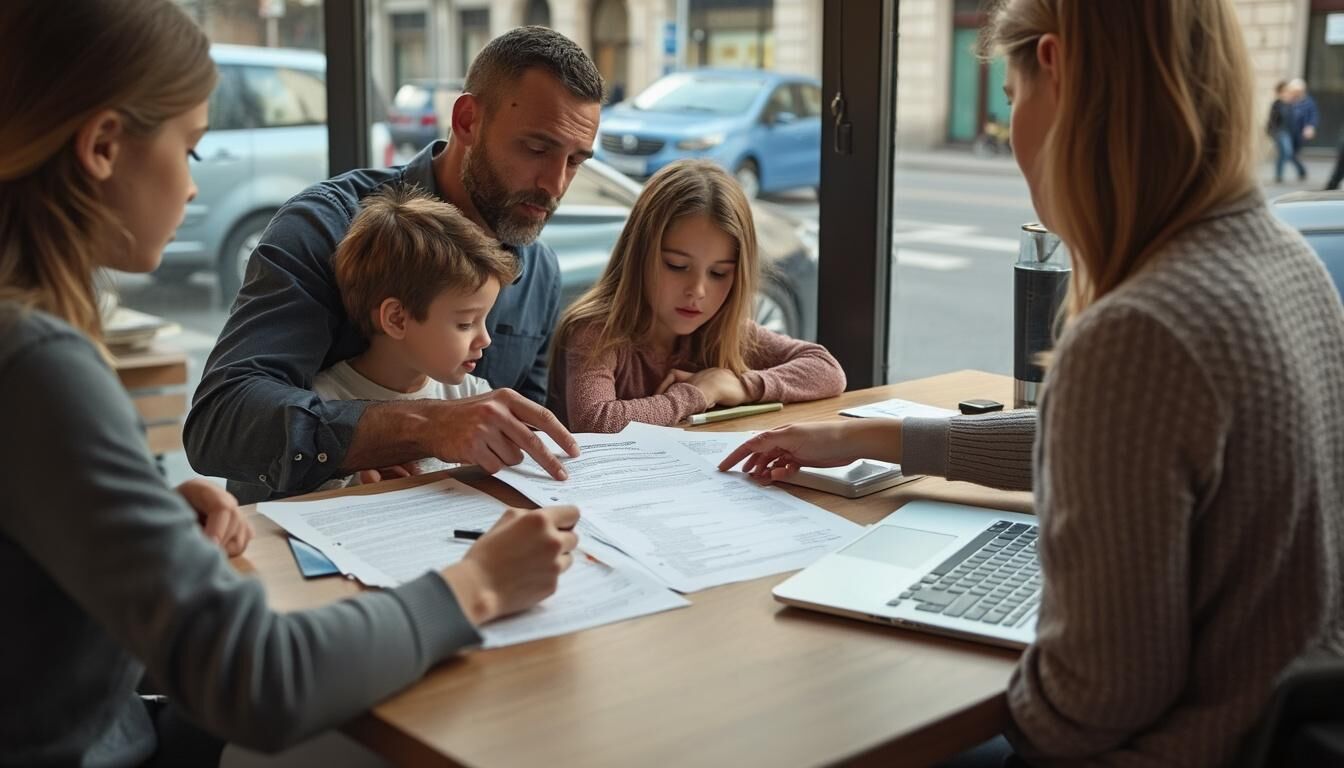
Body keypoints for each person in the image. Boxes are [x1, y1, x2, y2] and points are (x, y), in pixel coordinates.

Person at [721, 1, 1344, 765]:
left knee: (824, 719)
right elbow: (1113, 444)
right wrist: (870, 436)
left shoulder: (1139, 331)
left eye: (1010, 101)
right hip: (1270, 731)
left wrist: (955, 651)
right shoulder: (1284, 261)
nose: (1012, 132)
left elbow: (1089, 705)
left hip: (1168, 747)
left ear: (1054, 68)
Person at [0, 2, 581, 765]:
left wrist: (144, 518)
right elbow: (259, 679)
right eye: (192, 151)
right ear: (106, 145)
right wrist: (476, 586)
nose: (194, 192)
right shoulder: (37, 362)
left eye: (576, 160)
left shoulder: (536, 268)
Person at [185, 25, 603, 503]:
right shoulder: (326, 228)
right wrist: (423, 426)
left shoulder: (538, 271)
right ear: (467, 120)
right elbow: (220, 422)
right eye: (536, 149)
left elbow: (525, 441)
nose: (555, 185)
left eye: (575, 161)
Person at [548, 159, 845, 433]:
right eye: (677, 266)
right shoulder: (595, 331)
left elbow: (827, 370)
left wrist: (740, 386)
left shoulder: (723, 331)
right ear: (638, 256)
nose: (698, 291)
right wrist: (698, 393)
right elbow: (596, 421)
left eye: (719, 273)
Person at [313, 185, 518, 487]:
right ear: (397, 319)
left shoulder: (475, 399)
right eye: (465, 323)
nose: (485, 339)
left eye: (484, 320)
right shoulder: (323, 405)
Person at [1266, 79, 1302, 183]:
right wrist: (1272, 133)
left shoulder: (1290, 104)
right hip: (1280, 132)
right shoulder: (1277, 104)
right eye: (1285, 91)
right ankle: (1279, 175)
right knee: (1286, 153)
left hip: (1289, 133)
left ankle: (1300, 171)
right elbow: (1272, 120)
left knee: (1287, 154)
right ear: (1280, 93)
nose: (1287, 93)